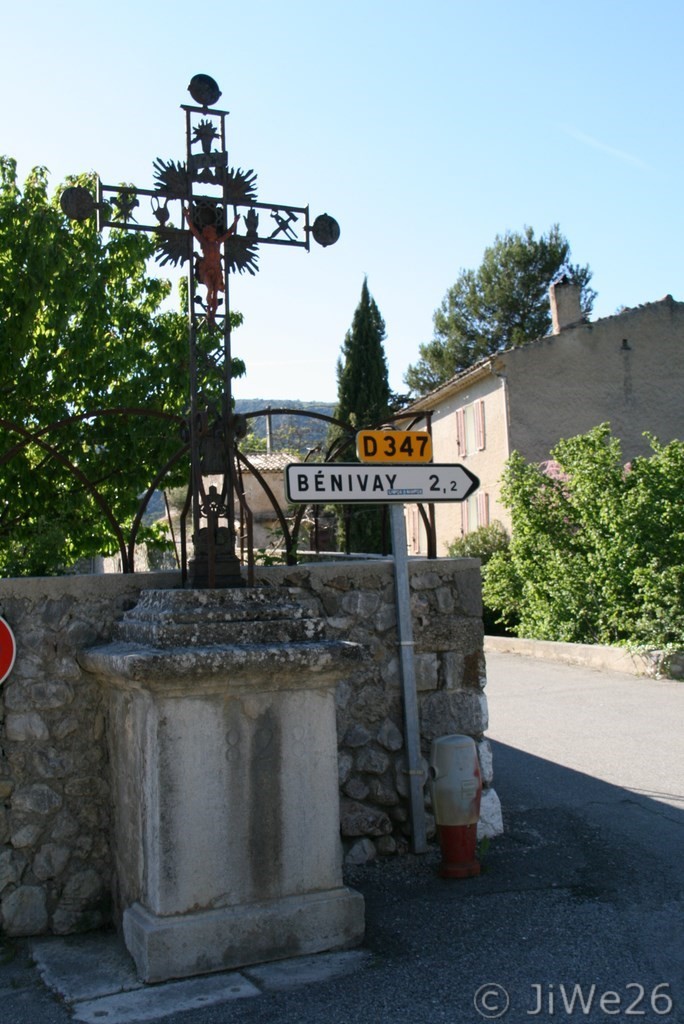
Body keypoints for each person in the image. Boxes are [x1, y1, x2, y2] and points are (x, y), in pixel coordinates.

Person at [183, 207, 240, 324]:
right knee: (210, 289)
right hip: (206, 269)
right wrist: (187, 216)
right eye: (212, 232)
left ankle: (212, 314)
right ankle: (209, 309)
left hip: (216, 269)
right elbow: (193, 230)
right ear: (208, 234)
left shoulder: (218, 243)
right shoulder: (204, 243)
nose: (214, 233)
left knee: (216, 292)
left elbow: (229, 233)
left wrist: (235, 222)